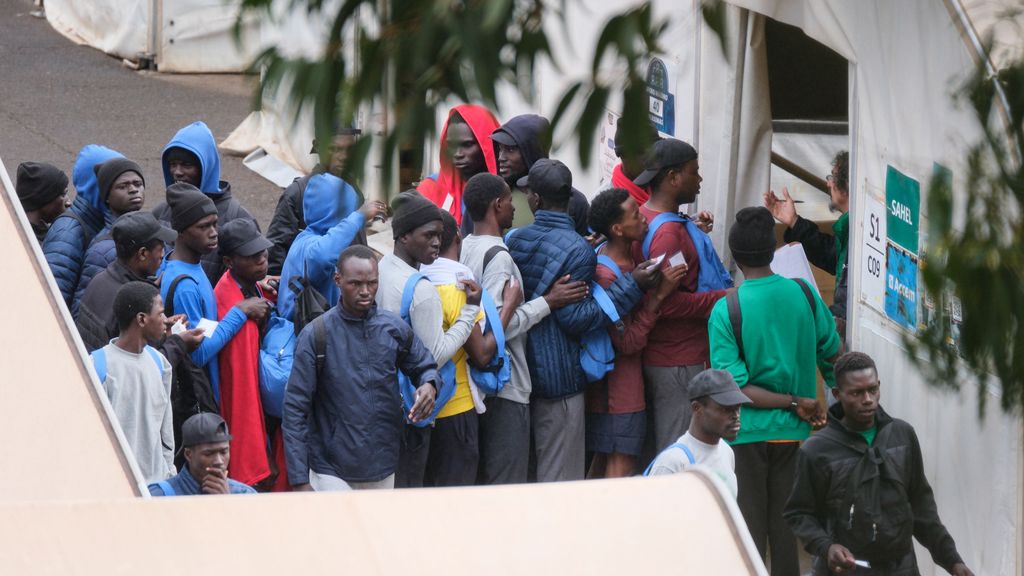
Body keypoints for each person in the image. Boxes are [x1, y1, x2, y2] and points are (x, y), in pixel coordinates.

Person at [708, 206, 841, 576]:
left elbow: (733, 387)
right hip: (791, 436)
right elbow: (832, 355)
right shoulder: (804, 293)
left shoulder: (727, 309)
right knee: (787, 529)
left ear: (735, 255)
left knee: (748, 531)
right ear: (774, 249)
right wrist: (823, 403)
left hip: (745, 436)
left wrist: (796, 402)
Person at [507, 159, 654, 482]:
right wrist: (634, 286)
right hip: (560, 380)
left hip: (518, 375)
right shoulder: (578, 249)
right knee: (560, 481)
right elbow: (577, 319)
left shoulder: (515, 241)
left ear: (536, 198)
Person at [784, 352, 974, 576]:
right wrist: (826, 547)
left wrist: (952, 560)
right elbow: (799, 513)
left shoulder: (903, 436)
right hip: (846, 569)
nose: (867, 399)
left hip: (902, 567)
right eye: (856, 392)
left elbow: (922, 507)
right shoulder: (816, 451)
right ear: (837, 394)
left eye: (872, 390)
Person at [460, 172, 589, 484]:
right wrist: (548, 301)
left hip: (477, 386)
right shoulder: (500, 257)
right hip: (506, 386)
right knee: (507, 482)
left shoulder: (466, 246)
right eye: (508, 200)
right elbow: (492, 328)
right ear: (497, 205)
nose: (515, 207)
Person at [284, 245, 440, 491]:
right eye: (355, 284)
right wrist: (300, 480)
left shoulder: (393, 328)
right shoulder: (316, 334)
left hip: (384, 464)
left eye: (372, 283)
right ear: (338, 280)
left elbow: (424, 364)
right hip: (330, 469)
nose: (365, 291)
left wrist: (429, 384)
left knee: (377, 530)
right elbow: (294, 409)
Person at [75, 211, 213, 460]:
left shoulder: (101, 280)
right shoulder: (128, 298)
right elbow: (138, 365)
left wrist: (159, 325)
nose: (163, 255)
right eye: (160, 248)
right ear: (142, 254)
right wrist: (179, 343)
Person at [375, 191, 482, 488]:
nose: (437, 242)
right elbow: (435, 355)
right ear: (404, 237)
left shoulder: (383, 268)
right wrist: (470, 310)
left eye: (440, 235)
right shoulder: (422, 290)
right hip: (413, 404)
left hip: (384, 396)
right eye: (429, 235)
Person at [632, 138, 731, 454]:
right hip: (676, 360)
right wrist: (724, 297)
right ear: (673, 177)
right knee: (676, 449)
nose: (700, 179)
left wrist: (691, 228)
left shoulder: (644, 217)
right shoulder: (668, 235)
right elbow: (668, 303)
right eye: (694, 172)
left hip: (669, 357)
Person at [585, 187, 687, 478]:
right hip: (618, 394)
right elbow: (627, 342)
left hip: (620, 391)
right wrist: (658, 298)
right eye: (635, 214)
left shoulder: (629, 256)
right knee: (619, 472)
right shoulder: (607, 274)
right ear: (617, 229)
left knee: (603, 467)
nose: (644, 218)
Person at [417, 210, 521, 486]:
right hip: (456, 407)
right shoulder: (457, 288)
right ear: (458, 237)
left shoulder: (417, 281)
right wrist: (509, 304)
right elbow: (483, 354)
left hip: (422, 408)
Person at [158, 183, 270, 404]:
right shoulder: (185, 286)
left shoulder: (186, 263)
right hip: (201, 398)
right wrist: (239, 311)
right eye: (203, 227)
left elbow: (205, 324)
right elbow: (197, 353)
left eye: (215, 224)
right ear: (181, 231)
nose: (213, 233)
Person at [152, 120, 258, 284]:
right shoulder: (161, 212)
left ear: (206, 167)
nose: (177, 172)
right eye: (173, 165)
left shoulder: (237, 218)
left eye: (187, 165)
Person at [213, 218, 276, 489]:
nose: (262, 259)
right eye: (252, 256)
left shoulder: (245, 285)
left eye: (262, 252)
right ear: (229, 262)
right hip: (244, 431)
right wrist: (259, 455)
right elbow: (242, 393)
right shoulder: (230, 304)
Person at [91, 282, 175, 484]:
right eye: (161, 313)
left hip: (156, 485)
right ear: (142, 319)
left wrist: (168, 474)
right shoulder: (97, 366)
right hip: (115, 488)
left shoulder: (159, 363)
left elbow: (166, 430)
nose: (166, 320)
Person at [276, 173, 386, 322]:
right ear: (333, 212)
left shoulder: (307, 237)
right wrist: (358, 217)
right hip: (303, 335)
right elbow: (321, 256)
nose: (348, 219)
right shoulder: (310, 244)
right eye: (347, 213)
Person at [764, 150, 850, 326]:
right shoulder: (850, 228)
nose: (828, 183)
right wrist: (794, 222)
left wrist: (827, 321)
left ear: (847, 183)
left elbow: (846, 298)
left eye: (832, 177)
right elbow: (831, 254)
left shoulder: (858, 229)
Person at [266, 125, 366, 275]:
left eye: (349, 150)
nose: (344, 156)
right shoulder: (297, 193)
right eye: (335, 149)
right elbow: (277, 251)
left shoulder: (354, 190)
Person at [645, 369, 752, 498]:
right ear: (697, 408)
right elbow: (653, 514)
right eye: (726, 409)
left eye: (738, 408)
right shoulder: (672, 463)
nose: (735, 416)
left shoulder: (726, 452)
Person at [43, 144, 123, 308]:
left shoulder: (100, 219)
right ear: (98, 185)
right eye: (119, 182)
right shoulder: (67, 232)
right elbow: (54, 298)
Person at [490, 114, 590, 236]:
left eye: (510, 150)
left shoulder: (573, 201)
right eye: (500, 149)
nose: (501, 158)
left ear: (532, 151)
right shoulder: (494, 196)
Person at [73, 158, 147, 314]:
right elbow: (84, 307)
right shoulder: (103, 250)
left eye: (138, 184)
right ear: (107, 196)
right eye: (123, 186)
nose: (133, 189)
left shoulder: (150, 233)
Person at [417, 104, 500, 230]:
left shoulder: (506, 192)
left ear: (487, 144)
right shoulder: (430, 189)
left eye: (467, 144)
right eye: (452, 145)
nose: (457, 154)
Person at [149, 413, 257, 496]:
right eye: (209, 453)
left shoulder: (245, 495)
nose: (219, 461)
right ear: (188, 455)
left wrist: (226, 504)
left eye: (224, 452)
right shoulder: (158, 496)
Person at [600, 117, 661, 205]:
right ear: (623, 156)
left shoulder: (660, 187)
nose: (652, 160)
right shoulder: (605, 206)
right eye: (645, 154)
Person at [15, 161, 70, 242]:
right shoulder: (29, 247)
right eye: (63, 194)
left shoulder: (15, 230)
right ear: (44, 199)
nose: (69, 202)